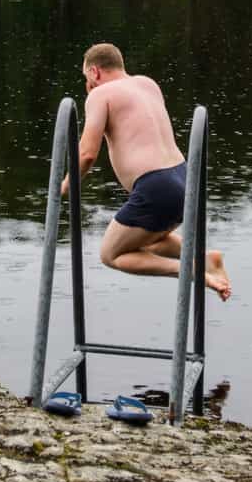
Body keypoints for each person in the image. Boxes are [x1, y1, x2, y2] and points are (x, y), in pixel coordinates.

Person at [62, 43, 232, 300]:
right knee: (146, 239)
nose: (88, 85)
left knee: (110, 255)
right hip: (184, 179)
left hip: (156, 186)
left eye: (87, 78)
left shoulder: (100, 94)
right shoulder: (147, 83)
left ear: (95, 72)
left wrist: (63, 187)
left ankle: (192, 271)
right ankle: (206, 259)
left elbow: (86, 154)